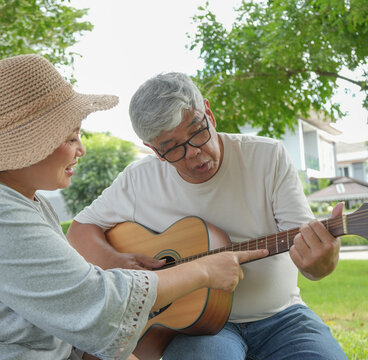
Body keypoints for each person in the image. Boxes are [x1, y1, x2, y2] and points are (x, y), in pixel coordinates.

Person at [0, 56, 268, 360]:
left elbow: (67, 301)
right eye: (72, 137)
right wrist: (203, 272)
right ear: (35, 144)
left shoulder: (17, 199)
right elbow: (94, 301)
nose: (81, 150)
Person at [67, 72, 348, 359]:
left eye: (197, 132)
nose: (194, 153)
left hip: (282, 317)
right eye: (173, 148)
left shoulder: (268, 157)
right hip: (198, 329)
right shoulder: (139, 180)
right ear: (155, 151)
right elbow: (80, 229)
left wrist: (321, 264)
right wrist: (119, 263)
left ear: (209, 115)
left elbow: (311, 261)